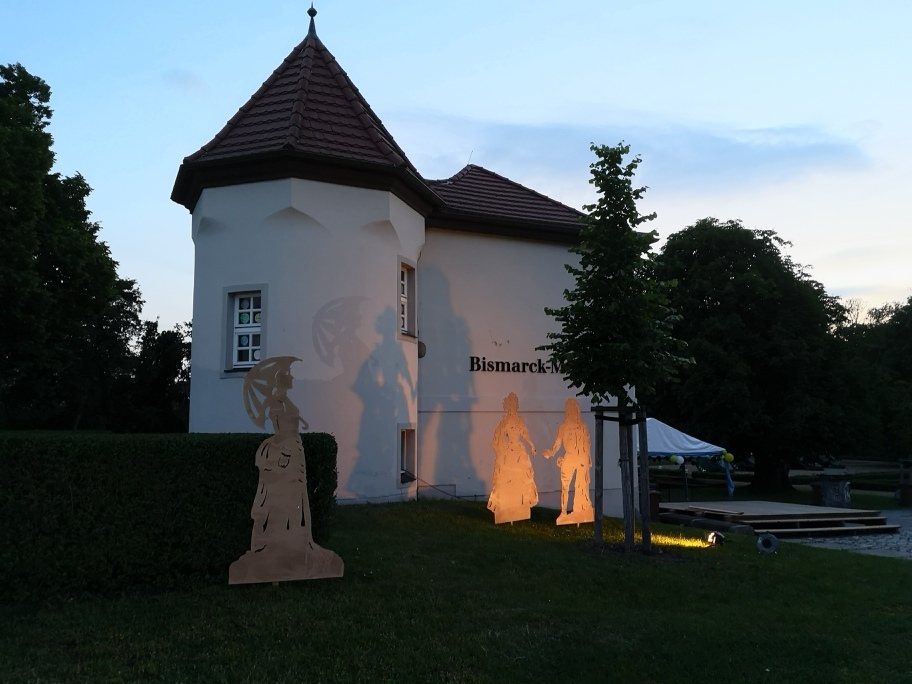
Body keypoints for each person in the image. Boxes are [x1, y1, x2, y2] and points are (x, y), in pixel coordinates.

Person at [230, 356, 343, 583]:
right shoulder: (277, 402)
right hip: (286, 454)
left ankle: (294, 545)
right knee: (281, 501)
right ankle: (277, 549)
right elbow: (279, 428)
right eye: (289, 373)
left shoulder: (283, 400)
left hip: (293, 453)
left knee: (294, 501)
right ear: (280, 378)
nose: (292, 376)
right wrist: (285, 452)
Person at [487, 392, 538, 523]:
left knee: (520, 477)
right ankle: (506, 508)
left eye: (514, 405)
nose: (512, 408)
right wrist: (500, 448)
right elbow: (496, 438)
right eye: (510, 405)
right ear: (507, 406)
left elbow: (525, 434)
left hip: (518, 451)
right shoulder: (503, 421)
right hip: (508, 452)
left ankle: (518, 507)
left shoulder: (519, 420)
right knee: (507, 477)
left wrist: (531, 445)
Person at [543, 398, 594, 524]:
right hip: (570, 457)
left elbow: (587, 443)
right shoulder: (563, 426)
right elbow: (557, 443)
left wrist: (588, 459)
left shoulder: (582, 425)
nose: (573, 413)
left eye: (575, 410)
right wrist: (551, 452)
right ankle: (564, 511)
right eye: (571, 410)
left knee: (580, 485)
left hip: (581, 457)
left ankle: (580, 510)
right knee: (565, 487)